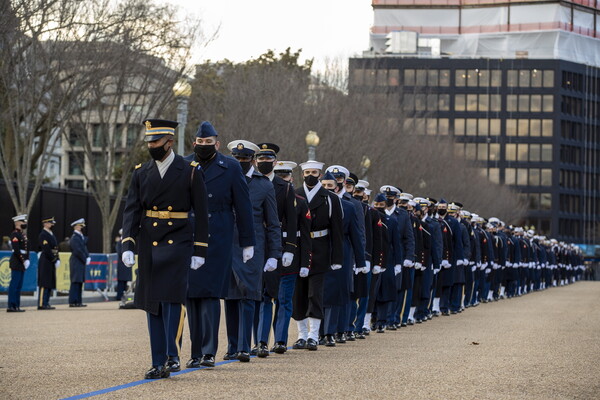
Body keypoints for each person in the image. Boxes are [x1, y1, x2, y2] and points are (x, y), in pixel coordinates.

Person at [121, 118, 209, 379]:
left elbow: (202, 214)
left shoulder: (191, 170)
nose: (151, 146)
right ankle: (157, 360)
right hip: (149, 241)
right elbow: (132, 210)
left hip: (178, 240)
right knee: (152, 303)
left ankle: (172, 355)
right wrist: (128, 242)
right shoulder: (141, 172)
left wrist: (200, 250)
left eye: (156, 141)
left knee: (172, 300)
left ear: (169, 142)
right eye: (149, 141)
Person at [184, 121, 255, 369]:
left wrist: (248, 242)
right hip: (191, 233)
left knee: (211, 294)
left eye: (208, 142)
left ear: (217, 142)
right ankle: (194, 351)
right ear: (194, 143)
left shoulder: (231, 166)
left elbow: (243, 207)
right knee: (191, 295)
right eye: (200, 142)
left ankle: (208, 351)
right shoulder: (185, 164)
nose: (204, 146)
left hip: (220, 234)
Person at [223, 140, 281, 362]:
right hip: (228, 244)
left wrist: (274, 254)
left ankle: (244, 346)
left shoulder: (263, 185)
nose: (240, 163)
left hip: (253, 247)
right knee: (229, 297)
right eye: (236, 159)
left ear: (252, 160)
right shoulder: (225, 180)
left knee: (248, 296)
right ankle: (231, 345)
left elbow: (273, 223)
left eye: (245, 159)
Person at [292, 160, 343, 351]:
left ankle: (313, 335)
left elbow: (337, 231)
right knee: (299, 294)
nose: (310, 175)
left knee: (315, 293)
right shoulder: (295, 194)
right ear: (302, 174)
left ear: (320, 175)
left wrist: (337, 258)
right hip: (298, 249)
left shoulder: (330, 198)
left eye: (314, 172)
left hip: (320, 248)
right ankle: (301, 335)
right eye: (307, 172)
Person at [252, 144, 296, 357]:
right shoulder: (249, 182)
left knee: (271, 294)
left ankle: (275, 340)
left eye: (267, 158)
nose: (263, 162)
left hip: (274, 243)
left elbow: (292, 221)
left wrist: (288, 249)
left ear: (275, 162)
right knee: (254, 294)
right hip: (254, 243)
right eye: (259, 158)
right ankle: (258, 341)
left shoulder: (284, 187)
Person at [271, 161, 311, 353]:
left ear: (291, 178)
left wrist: (304, 261)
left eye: (285, 176)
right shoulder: (266, 195)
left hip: (289, 252)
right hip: (269, 250)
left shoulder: (300, 202)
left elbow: (304, 235)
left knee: (285, 300)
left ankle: (280, 339)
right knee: (268, 300)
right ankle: (262, 340)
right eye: (278, 175)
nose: (282, 180)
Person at [7, 214, 29, 312]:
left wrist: (27, 259)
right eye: (23, 222)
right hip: (17, 261)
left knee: (19, 285)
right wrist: (23, 260)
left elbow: (26, 249)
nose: (25, 223)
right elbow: (16, 250)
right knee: (14, 285)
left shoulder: (22, 235)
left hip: (22, 262)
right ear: (17, 223)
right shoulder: (15, 234)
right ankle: (11, 305)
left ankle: (16, 305)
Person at [38, 217, 60, 310]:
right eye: (50, 223)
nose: (52, 225)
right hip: (46, 260)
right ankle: (42, 303)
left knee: (49, 282)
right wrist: (54, 259)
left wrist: (57, 258)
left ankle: (46, 302)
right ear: (45, 224)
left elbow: (55, 248)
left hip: (51, 260)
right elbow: (46, 249)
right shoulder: (43, 234)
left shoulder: (51, 234)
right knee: (44, 282)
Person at [69, 218, 90, 308]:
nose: (81, 228)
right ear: (76, 226)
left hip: (80, 261)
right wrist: (85, 259)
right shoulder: (75, 238)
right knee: (75, 282)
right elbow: (77, 251)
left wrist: (87, 256)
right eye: (80, 226)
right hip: (76, 261)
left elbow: (84, 248)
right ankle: (73, 301)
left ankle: (78, 301)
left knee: (79, 282)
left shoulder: (80, 237)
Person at [114, 229, 132, 302]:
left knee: (125, 281)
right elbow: (119, 252)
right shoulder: (119, 243)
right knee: (121, 281)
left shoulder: (127, 242)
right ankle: (119, 296)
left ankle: (123, 295)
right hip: (121, 264)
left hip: (126, 265)